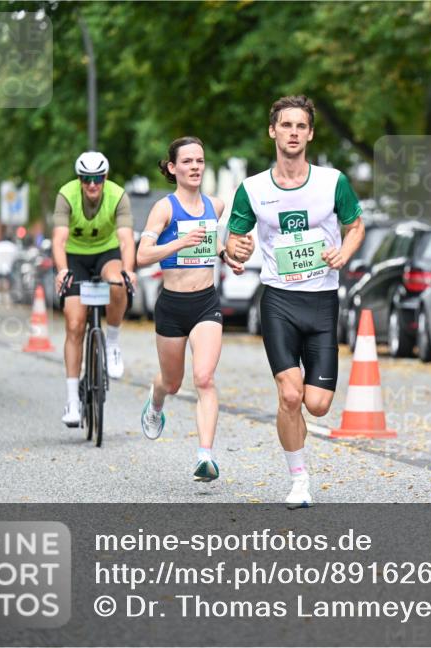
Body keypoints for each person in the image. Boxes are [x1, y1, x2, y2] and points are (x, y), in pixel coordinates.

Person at [226, 95, 365, 508]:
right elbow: (234, 242)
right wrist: (235, 252)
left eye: (300, 126)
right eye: (285, 125)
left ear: (310, 134)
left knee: (317, 405)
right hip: (278, 300)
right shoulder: (252, 188)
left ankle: (300, 428)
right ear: (273, 131)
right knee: (289, 396)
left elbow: (355, 225)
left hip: (322, 300)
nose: (293, 133)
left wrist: (344, 252)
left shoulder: (332, 181)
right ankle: (299, 478)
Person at [137, 136, 248, 482]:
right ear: (173, 168)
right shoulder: (165, 208)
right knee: (172, 383)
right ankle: (156, 402)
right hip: (171, 305)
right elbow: (141, 256)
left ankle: (205, 456)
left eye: (199, 161)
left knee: (204, 378)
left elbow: (213, 244)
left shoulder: (215, 205)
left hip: (205, 303)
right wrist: (178, 242)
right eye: (187, 162)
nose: (195, 167)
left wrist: (228, 255)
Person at [53, 151, 137, 426]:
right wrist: (63, 269)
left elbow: (125, 240)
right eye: (86, 179)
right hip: (75, 258)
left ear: (105, 178)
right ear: (79, 179)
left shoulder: (117, 195)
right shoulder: (66, 195)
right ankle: (72, 401)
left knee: (117, 281)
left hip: (106, 254)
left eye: (97, 178)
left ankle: (112, 341)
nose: (92, 184)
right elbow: (59, 238)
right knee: (75, 325)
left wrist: (129, 269)